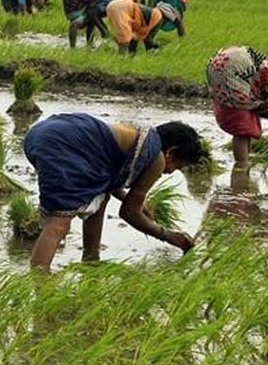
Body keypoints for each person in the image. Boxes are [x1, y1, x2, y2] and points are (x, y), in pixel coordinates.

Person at [24, 113, 205, 270]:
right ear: (171, 153)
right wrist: (167, 235)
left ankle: (91, 259)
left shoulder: (138, 135)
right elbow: (129, 213)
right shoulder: (157, 158)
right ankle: (40, 281)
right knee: (59, 223)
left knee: (100, 198)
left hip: (41, 134)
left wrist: (130, 199)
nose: (170, 171)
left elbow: (109, 180)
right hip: (62, 145)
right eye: (177, 166)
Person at [106, 0, 182, 54]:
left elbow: (136, 38)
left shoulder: (149, 13)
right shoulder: (158, 17)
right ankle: (122, 61)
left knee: (130, 37)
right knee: (124, 40)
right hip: (123, 8)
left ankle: (128, 58)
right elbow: (148, 41)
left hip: (113, 5)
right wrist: (161, 47)